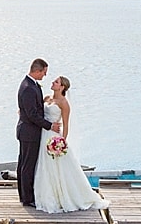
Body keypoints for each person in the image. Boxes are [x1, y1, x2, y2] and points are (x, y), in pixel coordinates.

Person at [33, 75, 109, 213]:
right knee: (44, 166)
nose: (53, 82)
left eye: (56, 82)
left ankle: (66, 196)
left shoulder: (64, 103)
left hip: (53, 137)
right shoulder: (46, 98)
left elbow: (66, 125)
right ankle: (45, 195)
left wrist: (61, 142)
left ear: (62, 87)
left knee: (56, 167)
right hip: (43, 134)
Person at [16, 58, 58, 206]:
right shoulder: (28, 87)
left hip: (28, 131)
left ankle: (24, 195)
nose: (44, 76)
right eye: (44, 73)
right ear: (37, 71)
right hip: (29, 132)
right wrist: (50, 126)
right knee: (27, 165)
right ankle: (27, 199)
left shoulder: (31, 85)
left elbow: (32, 108)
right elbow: (33, 115)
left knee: (24, 163)